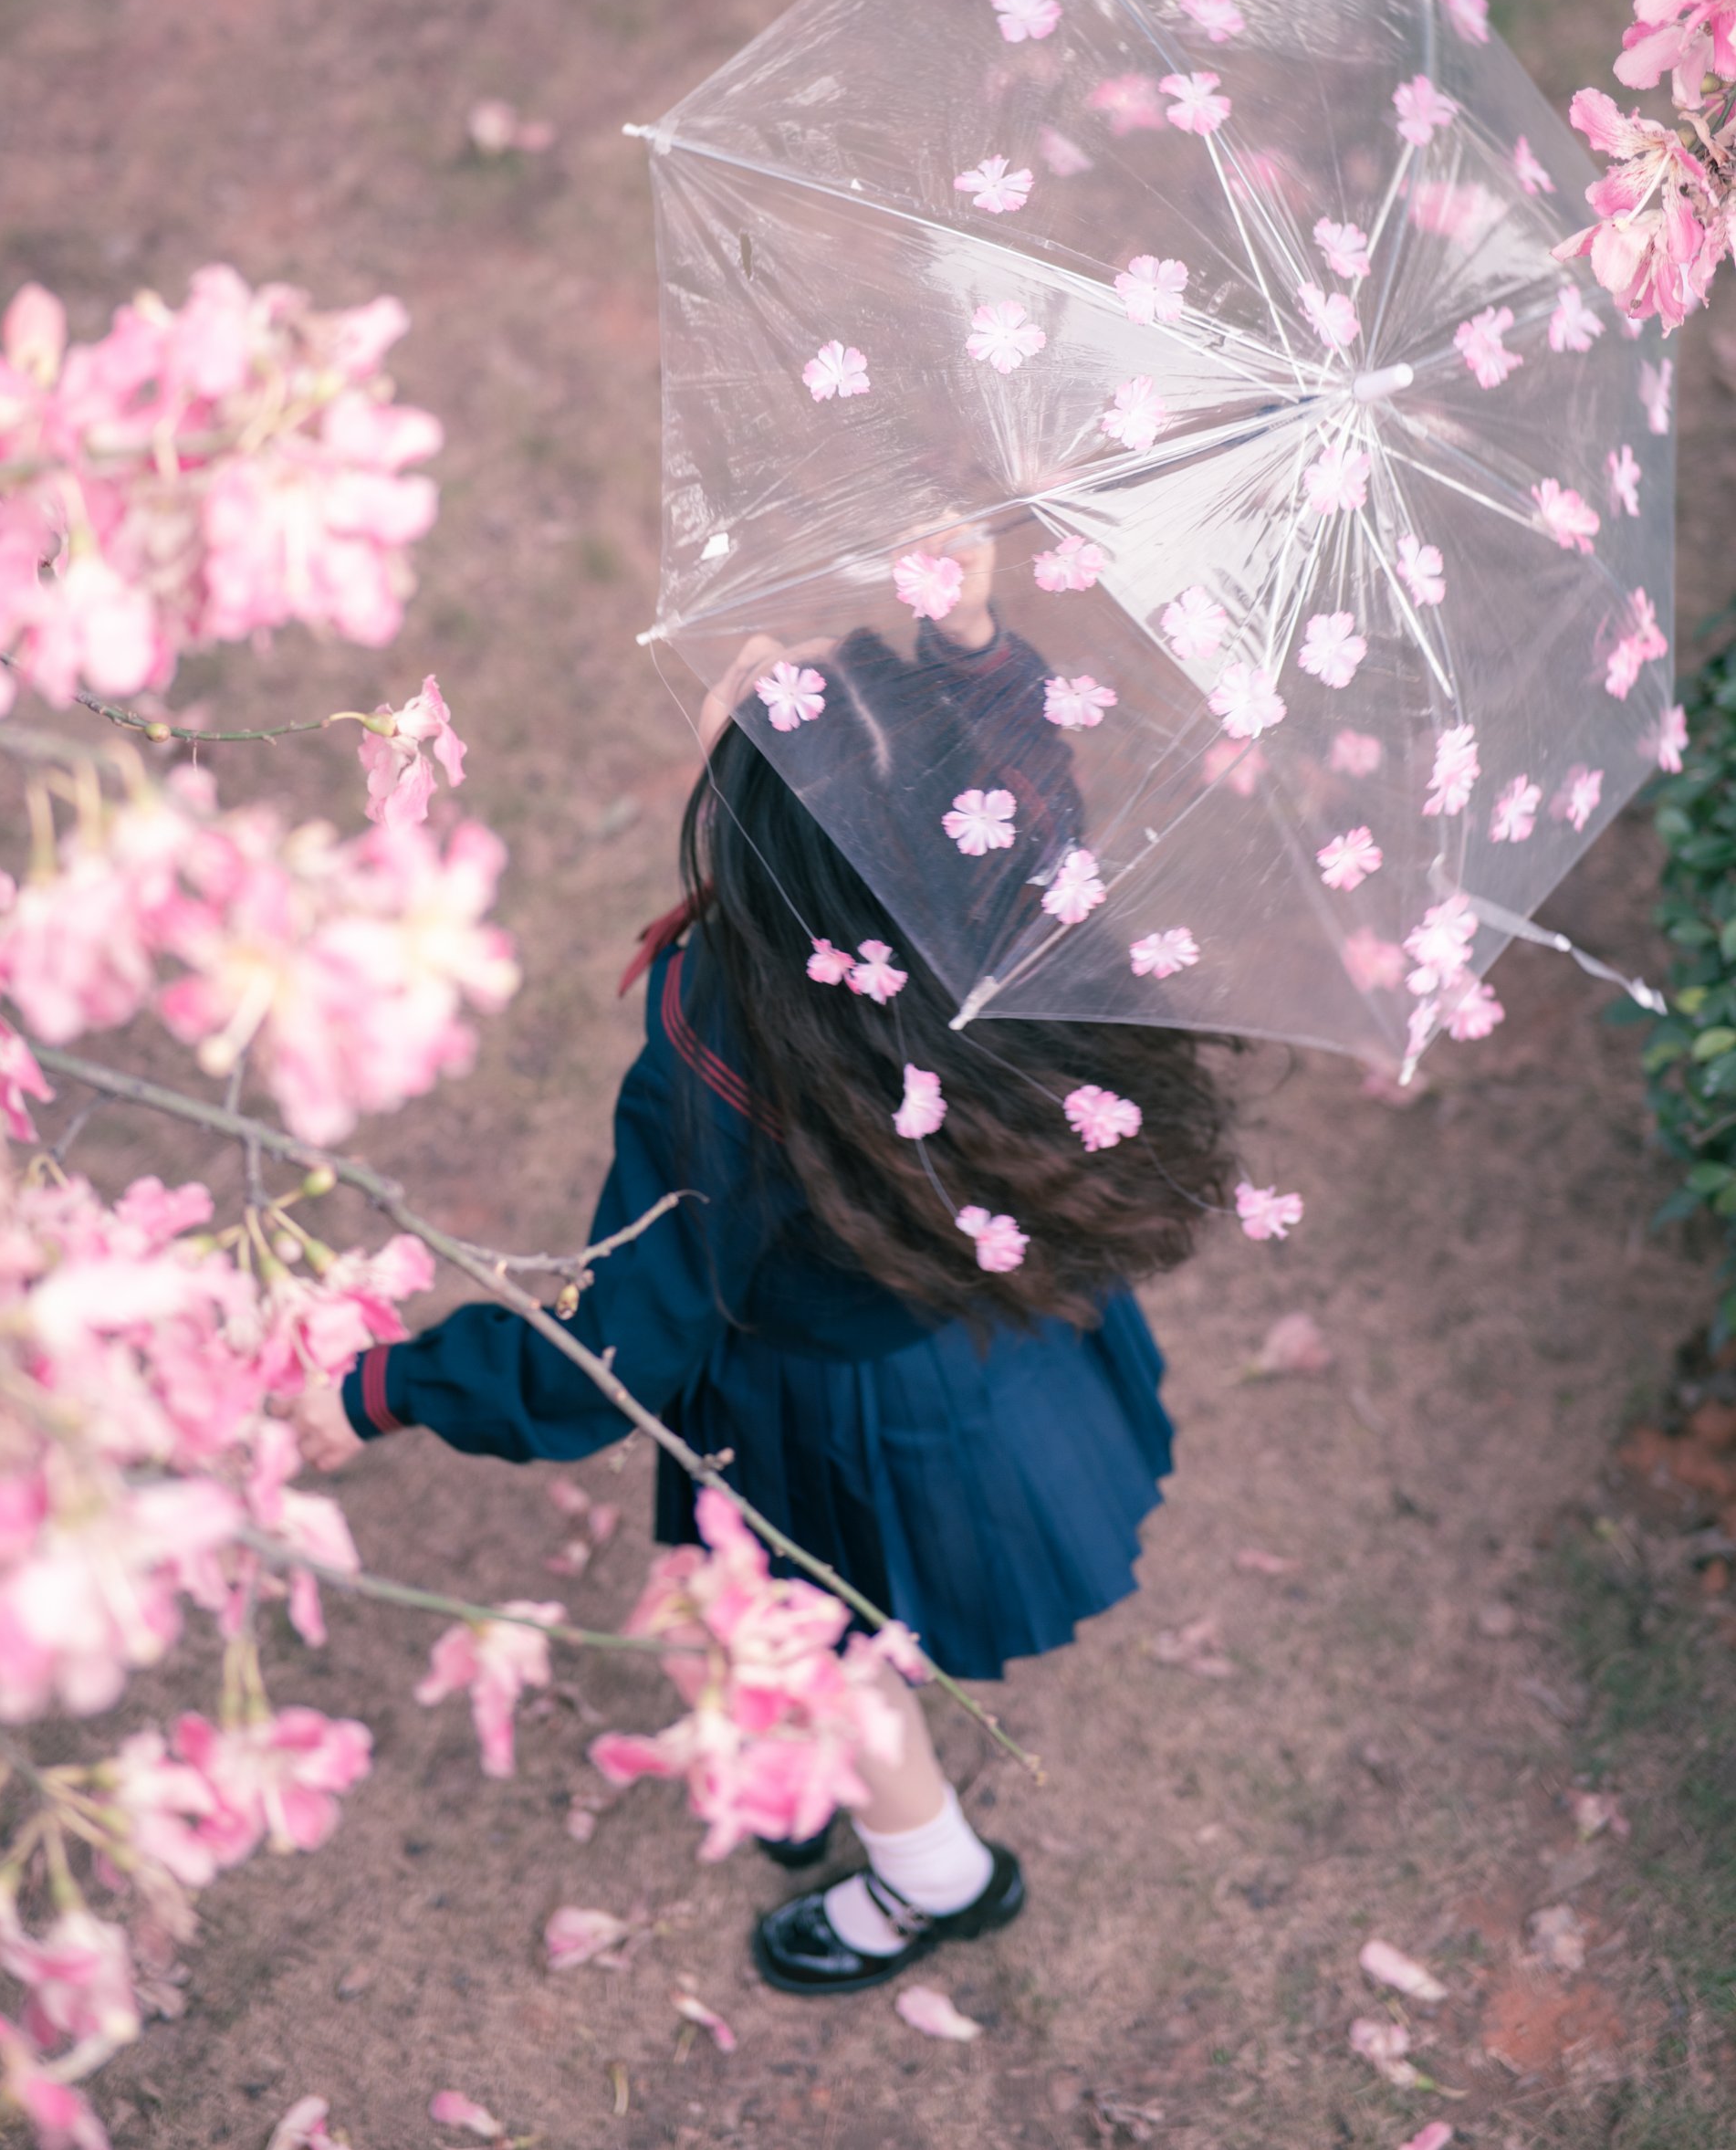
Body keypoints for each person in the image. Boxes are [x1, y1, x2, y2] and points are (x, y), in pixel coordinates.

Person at [291, 530, 1233, 1996]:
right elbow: (1026, 787)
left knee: (833, 1659)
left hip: (836, 1419)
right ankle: (872, 1816)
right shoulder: (992, 905)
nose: (745, 677)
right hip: (986, 1345)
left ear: (765, 861)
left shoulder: (723, 1040)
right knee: (839, 1647)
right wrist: (971, 644)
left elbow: (615, 1349)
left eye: (757, 722)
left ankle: (938, 1879)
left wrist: (385, 1385)